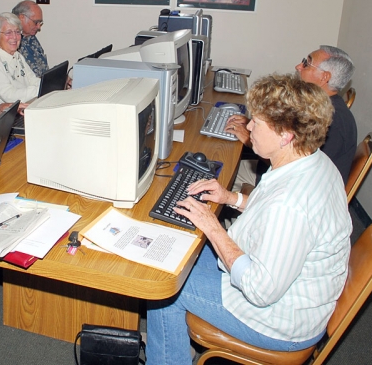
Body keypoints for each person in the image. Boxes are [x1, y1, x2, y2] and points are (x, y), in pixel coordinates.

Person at [147, 74, 352, 364]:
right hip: (290, 294)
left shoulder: (290, 204)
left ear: (286, 135)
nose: (249, 126)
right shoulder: (310, 160)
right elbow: (269, 210)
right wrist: (231, 198)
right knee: (176, 248)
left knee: (165, 284)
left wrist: (213, 227)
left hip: (277, 322)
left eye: (257, 121)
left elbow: (259, 290)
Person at [228, 45, 357, 188]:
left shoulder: (331, 123)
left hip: (283, 186)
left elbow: (290, 167)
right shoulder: (314, 107)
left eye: (307, 64)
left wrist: (248, 138)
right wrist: (256, 124)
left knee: (222, 174)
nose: (298, 67)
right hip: (275, 172)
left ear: (324, 77)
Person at [0, 13, 41, 116]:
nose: (15, 37)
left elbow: (33, 80)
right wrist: (41, 89)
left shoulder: (17, 55)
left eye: (17, 32)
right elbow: (11, 97)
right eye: (8, 33)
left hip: (21, 110)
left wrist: (48, 85)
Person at [12, 0, 48, 77]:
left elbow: (42, 69)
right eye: (36, 22)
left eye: (40, 23)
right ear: (21, 18)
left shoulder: (31, 37)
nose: (38, 27)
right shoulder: (7, 40)